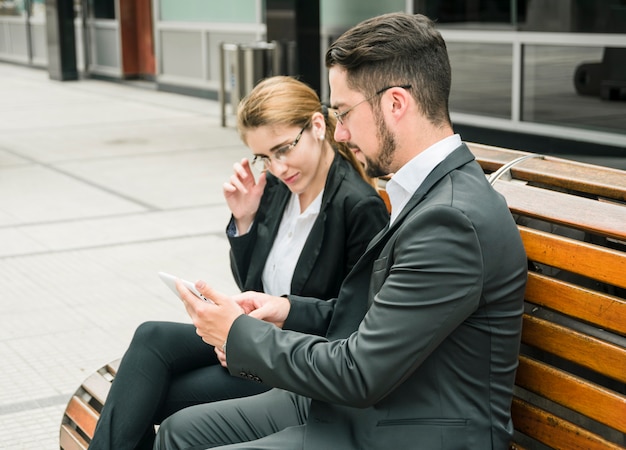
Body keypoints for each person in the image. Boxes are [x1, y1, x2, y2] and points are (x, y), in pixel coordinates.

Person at [156, 12, 528, 450]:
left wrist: (238, 334)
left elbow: (360, 372)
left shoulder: (452, 221)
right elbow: (379, 321)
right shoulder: (427, 191)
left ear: (395, 104)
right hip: (370, 408)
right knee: (181, 431)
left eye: (345, 112)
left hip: (403, 430)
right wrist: (286, 310)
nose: (342, 132)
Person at [88, 76, 389, 450]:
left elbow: (348, 324)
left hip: (293, 360)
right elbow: (255, 284)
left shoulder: (357, 208)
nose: (277, 167)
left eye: (283, 149)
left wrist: (246, 344)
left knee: (147, 396)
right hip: (255, 335)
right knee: (152, 336)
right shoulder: (281, 188)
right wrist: (245, 222)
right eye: (264, 157)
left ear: (316, 126)